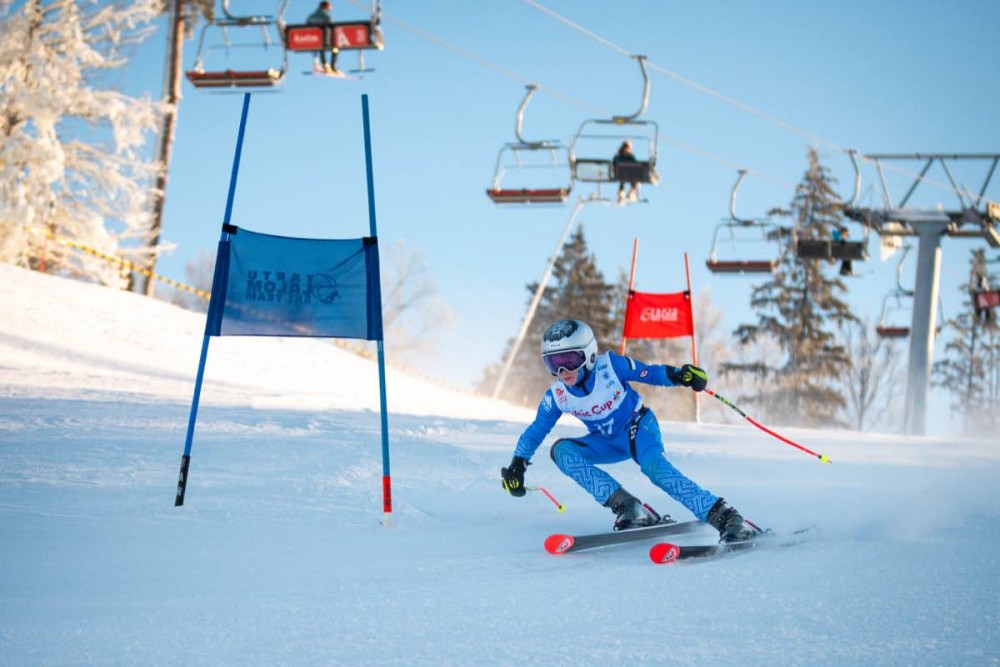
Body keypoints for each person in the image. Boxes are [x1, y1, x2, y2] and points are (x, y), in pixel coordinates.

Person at [500, 319, 755, 543]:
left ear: (589, 355)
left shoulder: (610, 366)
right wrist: (517, 464)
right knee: (562, 451)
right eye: (554, 363)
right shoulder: (557, 395)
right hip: (605, 441)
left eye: (570, 360)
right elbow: (536, 430)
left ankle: (726, 517)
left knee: (655, 468)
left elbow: (650, 373)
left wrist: (680, 376)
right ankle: (629, 506)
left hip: (638, 428)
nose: (563, 371)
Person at [307, 1, 339, 74]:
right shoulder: (326, 16)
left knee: (321, 47)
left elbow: (307, 24)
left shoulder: (311, 16)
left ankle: (324, 64)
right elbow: (331, 26)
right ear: (326, 6)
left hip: (313, 39)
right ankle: (332, 66)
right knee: (335, 48)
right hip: (325, 40)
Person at [612, 140, 640, 204]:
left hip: (623, 174)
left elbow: (614, 163)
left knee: (627, 179)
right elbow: (636, 164)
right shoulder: (628, 157)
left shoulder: (619, 156)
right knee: (632, 178)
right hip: (623, 174)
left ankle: (626, 192)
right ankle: (629, 192)